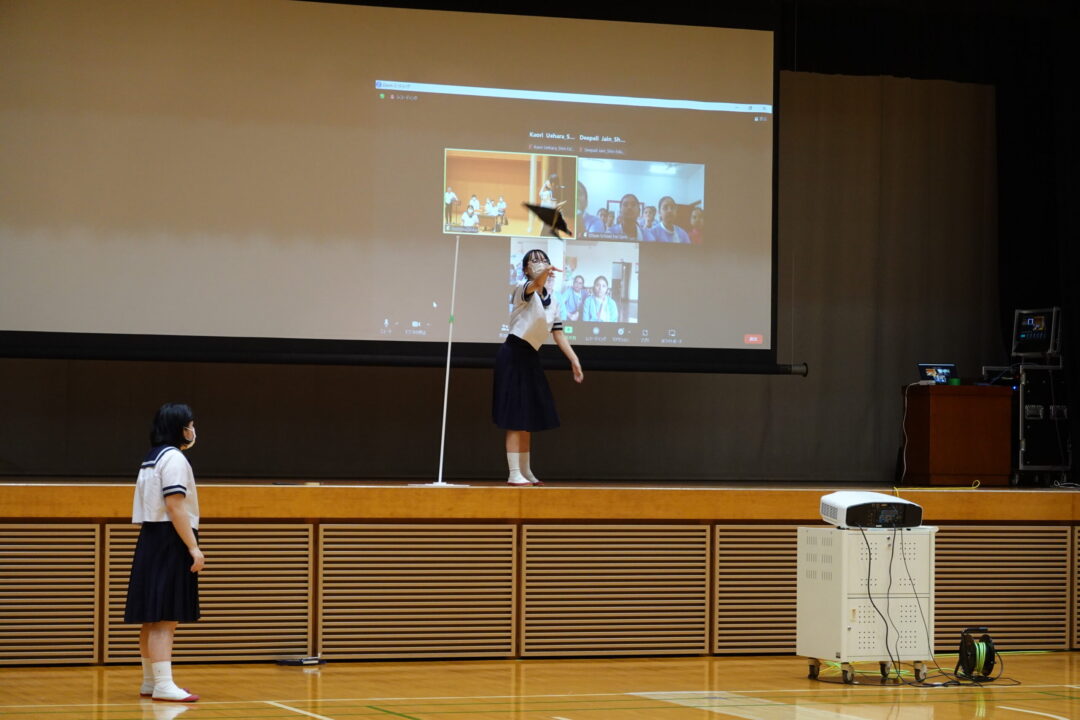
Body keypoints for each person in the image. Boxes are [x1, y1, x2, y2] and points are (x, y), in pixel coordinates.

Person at [125, 403, 203, 703]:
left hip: (151, 539)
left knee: (152, 618)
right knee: (165, 619)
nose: (192, 430)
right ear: (178, 427)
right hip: (170, 539)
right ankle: (164, 684)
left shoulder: (151, 458)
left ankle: (150, 681)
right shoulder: (174, 458)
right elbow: (175, 505)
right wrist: (193, 547)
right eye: (190, 424)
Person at [493, 249, 584, 486]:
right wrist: (542, 274)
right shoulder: (523, 289)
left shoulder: (553, 299)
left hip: (531, 356)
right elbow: (536, 283)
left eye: (544, 260)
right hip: (513, 353)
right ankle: (514, 473)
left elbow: (558, 333)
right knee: (515, 415)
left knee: (528, 417)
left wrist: (574, 360)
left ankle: (526, 470)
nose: (540, 264)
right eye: (534, 261)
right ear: (525, 269)